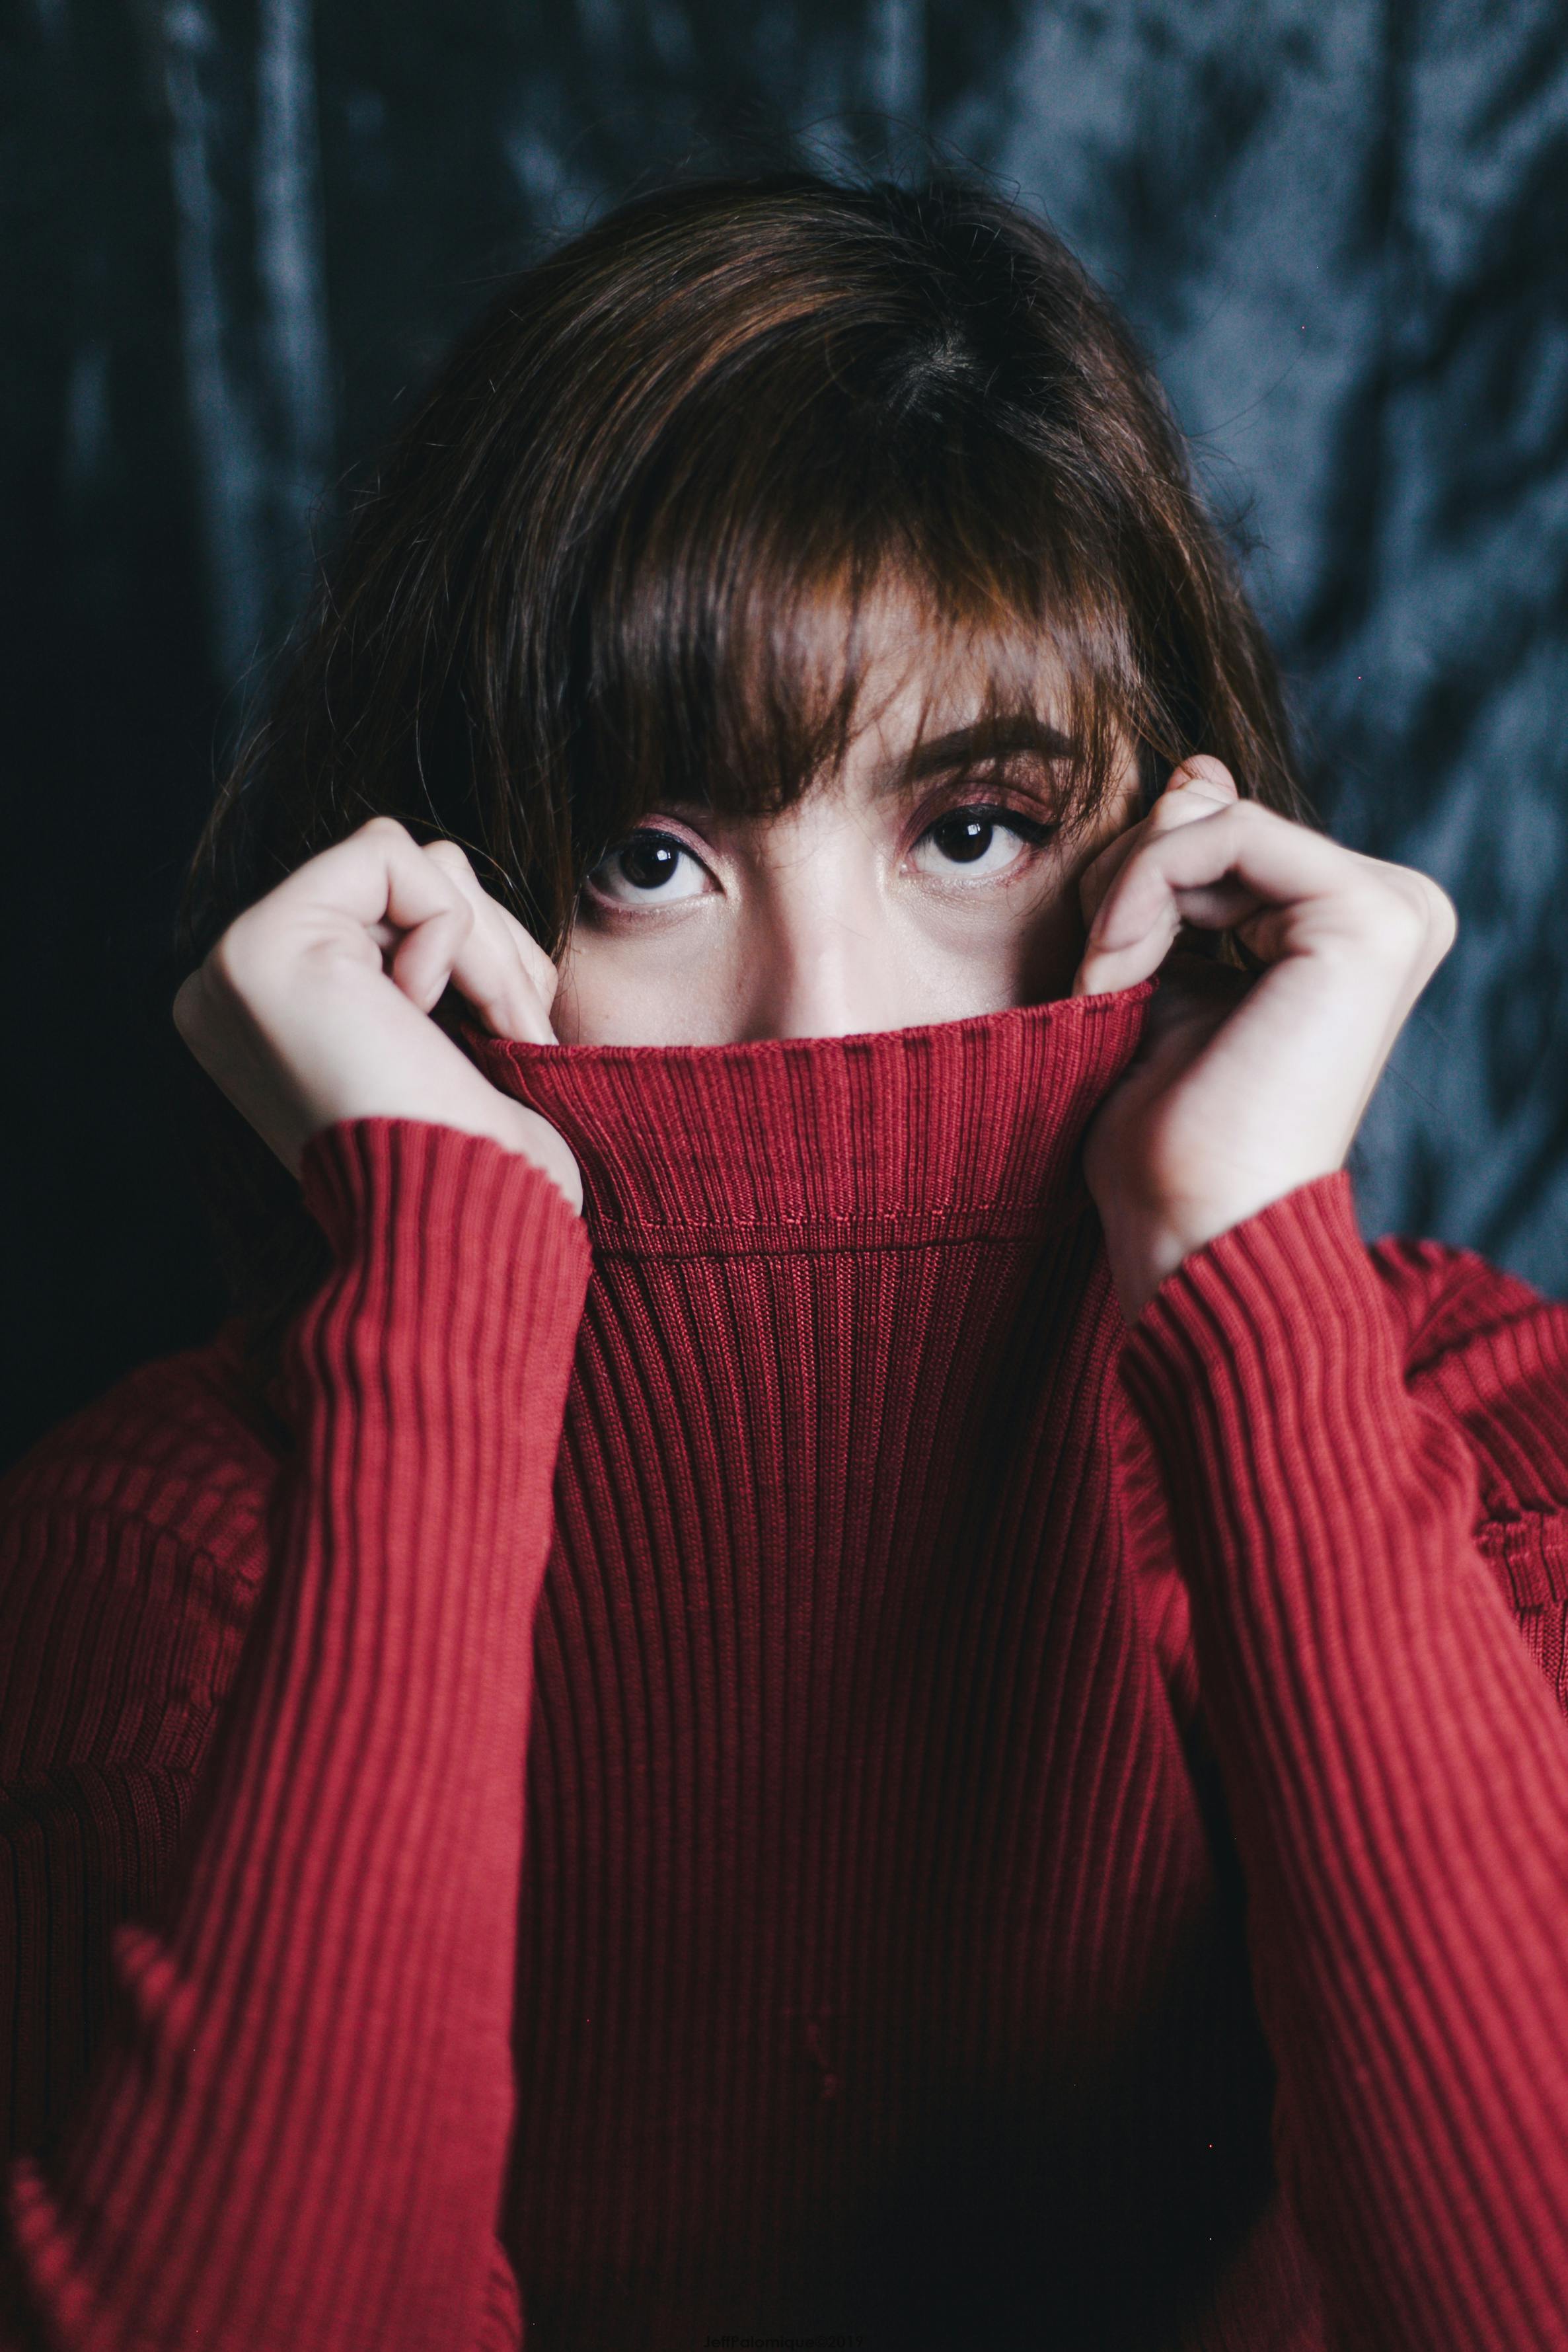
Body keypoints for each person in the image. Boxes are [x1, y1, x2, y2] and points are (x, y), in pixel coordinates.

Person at [3, 168, 1567, 2352]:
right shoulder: (176, 1584)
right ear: (445, 903)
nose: (825, 1025)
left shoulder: (1484, 1461)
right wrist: (437, 1315)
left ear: (1174, 855)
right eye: (652, 857)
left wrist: (1254, 1280)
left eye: (969, 831)